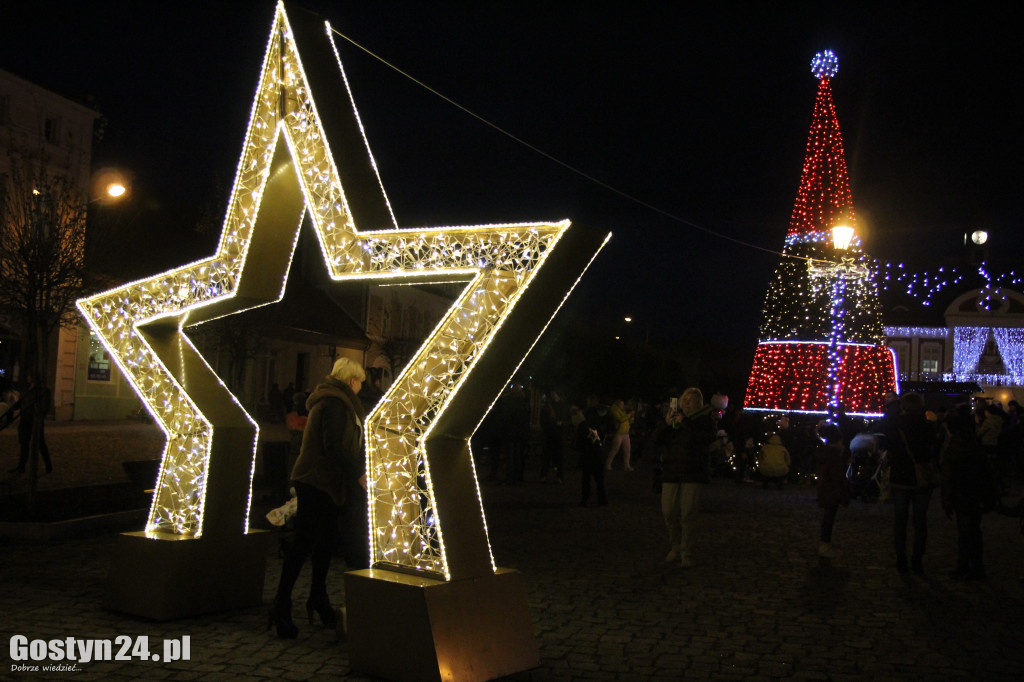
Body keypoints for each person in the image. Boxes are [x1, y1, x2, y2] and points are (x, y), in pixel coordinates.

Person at [269, 358, 367, 638]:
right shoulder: (336, 402)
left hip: (325, 482)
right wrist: (358, 473)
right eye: (360, 382)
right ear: (352, 381)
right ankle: (282, 604)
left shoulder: (335, 400)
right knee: (305, 542)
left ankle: (317, 597)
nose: (361, 387)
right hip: (316, 480)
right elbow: (334, 445)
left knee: (324, 542)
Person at [658, 387, 716, 567]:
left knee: (688, 514)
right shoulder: (676, 418)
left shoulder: (705, 420)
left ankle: (686, 552)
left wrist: (686, 423)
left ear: (699, 403)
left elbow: (704, 439)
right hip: (672, 471)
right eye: (685, 400)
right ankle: (675, 545)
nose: (687, 404)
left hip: (693, 472)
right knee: (668, 511)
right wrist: (666, 425)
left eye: (691, 401)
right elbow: (658, 439)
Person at [883, 392, 939, 575]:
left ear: (903, 406)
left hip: (900, 476)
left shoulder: (896, 425)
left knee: (900, 521)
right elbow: (934, 450)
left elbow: (889, 448)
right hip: (921, 477)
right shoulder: (928, 426)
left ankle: (901, 559)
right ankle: (917, 560)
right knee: (920, 521)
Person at [940, 404, 989, 580]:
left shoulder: (954, 447)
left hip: (962, 492)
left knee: (965, 530)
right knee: (974, 530)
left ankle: (965, 565)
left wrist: (946, 499)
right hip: (974, 491)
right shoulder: (974, 443)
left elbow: (948, 475)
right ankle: (976, 565)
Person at [813, 423, 849, 559]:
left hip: (825, 488)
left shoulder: (824, 452)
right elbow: (837, 477)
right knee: (829, 518)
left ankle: (825, 543)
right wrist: (844, 495)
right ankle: (825, 544)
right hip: (832, 490)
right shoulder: (834, 456)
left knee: (828, 517)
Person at [5, 374, 52, 475]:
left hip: (35, 421)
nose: (27, 377)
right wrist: (11, 408)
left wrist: (38, 416)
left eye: (30, 375)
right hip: (25, 419)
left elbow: (44, 407)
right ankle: (21, 466)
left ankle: (48, 465)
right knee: (24, 444)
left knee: (40, 443)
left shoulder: (43, 390)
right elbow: (21, 402)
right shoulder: (27, 389)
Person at [577, 394, 610, 506]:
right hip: (596, 449)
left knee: (588, 477)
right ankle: (600, 499)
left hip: (589, 449)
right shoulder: (607, 415)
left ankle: (586, 499)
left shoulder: (588, 415)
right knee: (598, 477)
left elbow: (580, 434)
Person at [605, 398, 634, 471]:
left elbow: (628, 421)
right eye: (622, 404)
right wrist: (629, 415)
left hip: (626, 433)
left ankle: (626, 465)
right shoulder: (615, 411)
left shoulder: (623, 411)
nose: (623, 405)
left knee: (627, 450)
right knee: (615, 450)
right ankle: (608, 464)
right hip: (619, 433)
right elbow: (621, 419)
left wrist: (631, 417)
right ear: (618, 405)